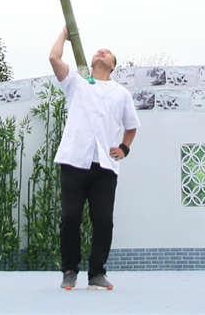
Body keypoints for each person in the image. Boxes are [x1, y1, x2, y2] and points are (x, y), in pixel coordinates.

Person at [49, 24, 140, 291]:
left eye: (108, 53)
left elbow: (131, 126)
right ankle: (69, 270)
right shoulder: (77, 83)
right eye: (99, 50)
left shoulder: (121, 93)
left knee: (103, 220)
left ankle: (97, 273)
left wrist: (124, 148)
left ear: (112, 65)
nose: (102, 52)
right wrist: (65, 34)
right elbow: (54, 58)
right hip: (74, 161)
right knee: (70, 218)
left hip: (105, 167)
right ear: (91, 60)